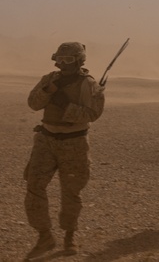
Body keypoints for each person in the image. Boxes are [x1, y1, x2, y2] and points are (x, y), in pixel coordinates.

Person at [24, 41, 106, 259]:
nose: (62, 65)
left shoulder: (88, 84)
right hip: (46, 139)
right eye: (59, 60)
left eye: (68, 60)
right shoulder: (49, 79)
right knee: (34, 186)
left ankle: (70, 236)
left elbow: (93, 114)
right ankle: (44, 237)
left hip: (74, 142)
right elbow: (33, 103)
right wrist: (47, 92)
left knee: (71, 192)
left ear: (79, 61)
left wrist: (65, 106)